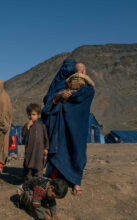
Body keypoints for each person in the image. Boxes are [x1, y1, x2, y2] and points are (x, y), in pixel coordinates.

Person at [41, 59, 95, 195]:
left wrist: (71, 93)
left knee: (77, 150)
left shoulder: (86, 87)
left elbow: (86, 95)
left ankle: (76, 181)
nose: (67, 70)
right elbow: (47, 105)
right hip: (59, 126)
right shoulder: (57, 85)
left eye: (70, 69)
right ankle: (53, 177)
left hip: (77, 126)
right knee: (59, 149)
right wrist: (58, 97)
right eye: (64, 67)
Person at [21, 103, 49, 182]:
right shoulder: (26, 125)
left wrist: (46, 148)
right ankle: (28, 182)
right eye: (29, 114)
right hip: (29, 151)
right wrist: (27, 127)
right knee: (28, 166)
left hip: (39, 151)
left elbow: (46, 138)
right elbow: (23, 135)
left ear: (38, 115)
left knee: (39, 166)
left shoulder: (42, 126)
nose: (31, 116)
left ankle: (38, 181)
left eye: (33, 114)